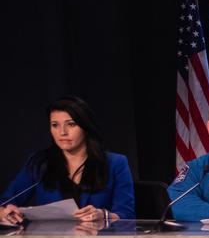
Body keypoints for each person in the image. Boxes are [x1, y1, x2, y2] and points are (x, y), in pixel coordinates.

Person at [1, 96, 134, 225]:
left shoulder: (115, 163)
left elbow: (126, 215)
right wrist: (5, 212)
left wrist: (104, 216)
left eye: (71, 124)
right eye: (55, 125)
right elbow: (5, 203)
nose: (62, 132)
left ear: (85, 127)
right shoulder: (39, 163)